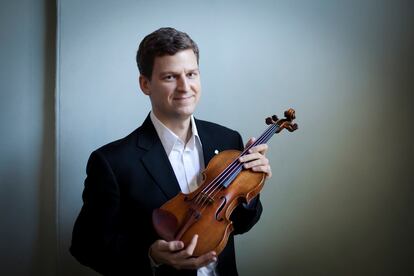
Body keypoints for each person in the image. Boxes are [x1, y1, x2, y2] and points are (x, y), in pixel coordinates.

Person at [70, 27, 272, 276]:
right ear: (145, 84)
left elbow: (237, 224)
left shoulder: (228, 139)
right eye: (170, 77)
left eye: (191, 74)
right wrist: (150, 255)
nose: (185, 87)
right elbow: (85, 247)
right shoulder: (112, 161)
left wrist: (251, 188)